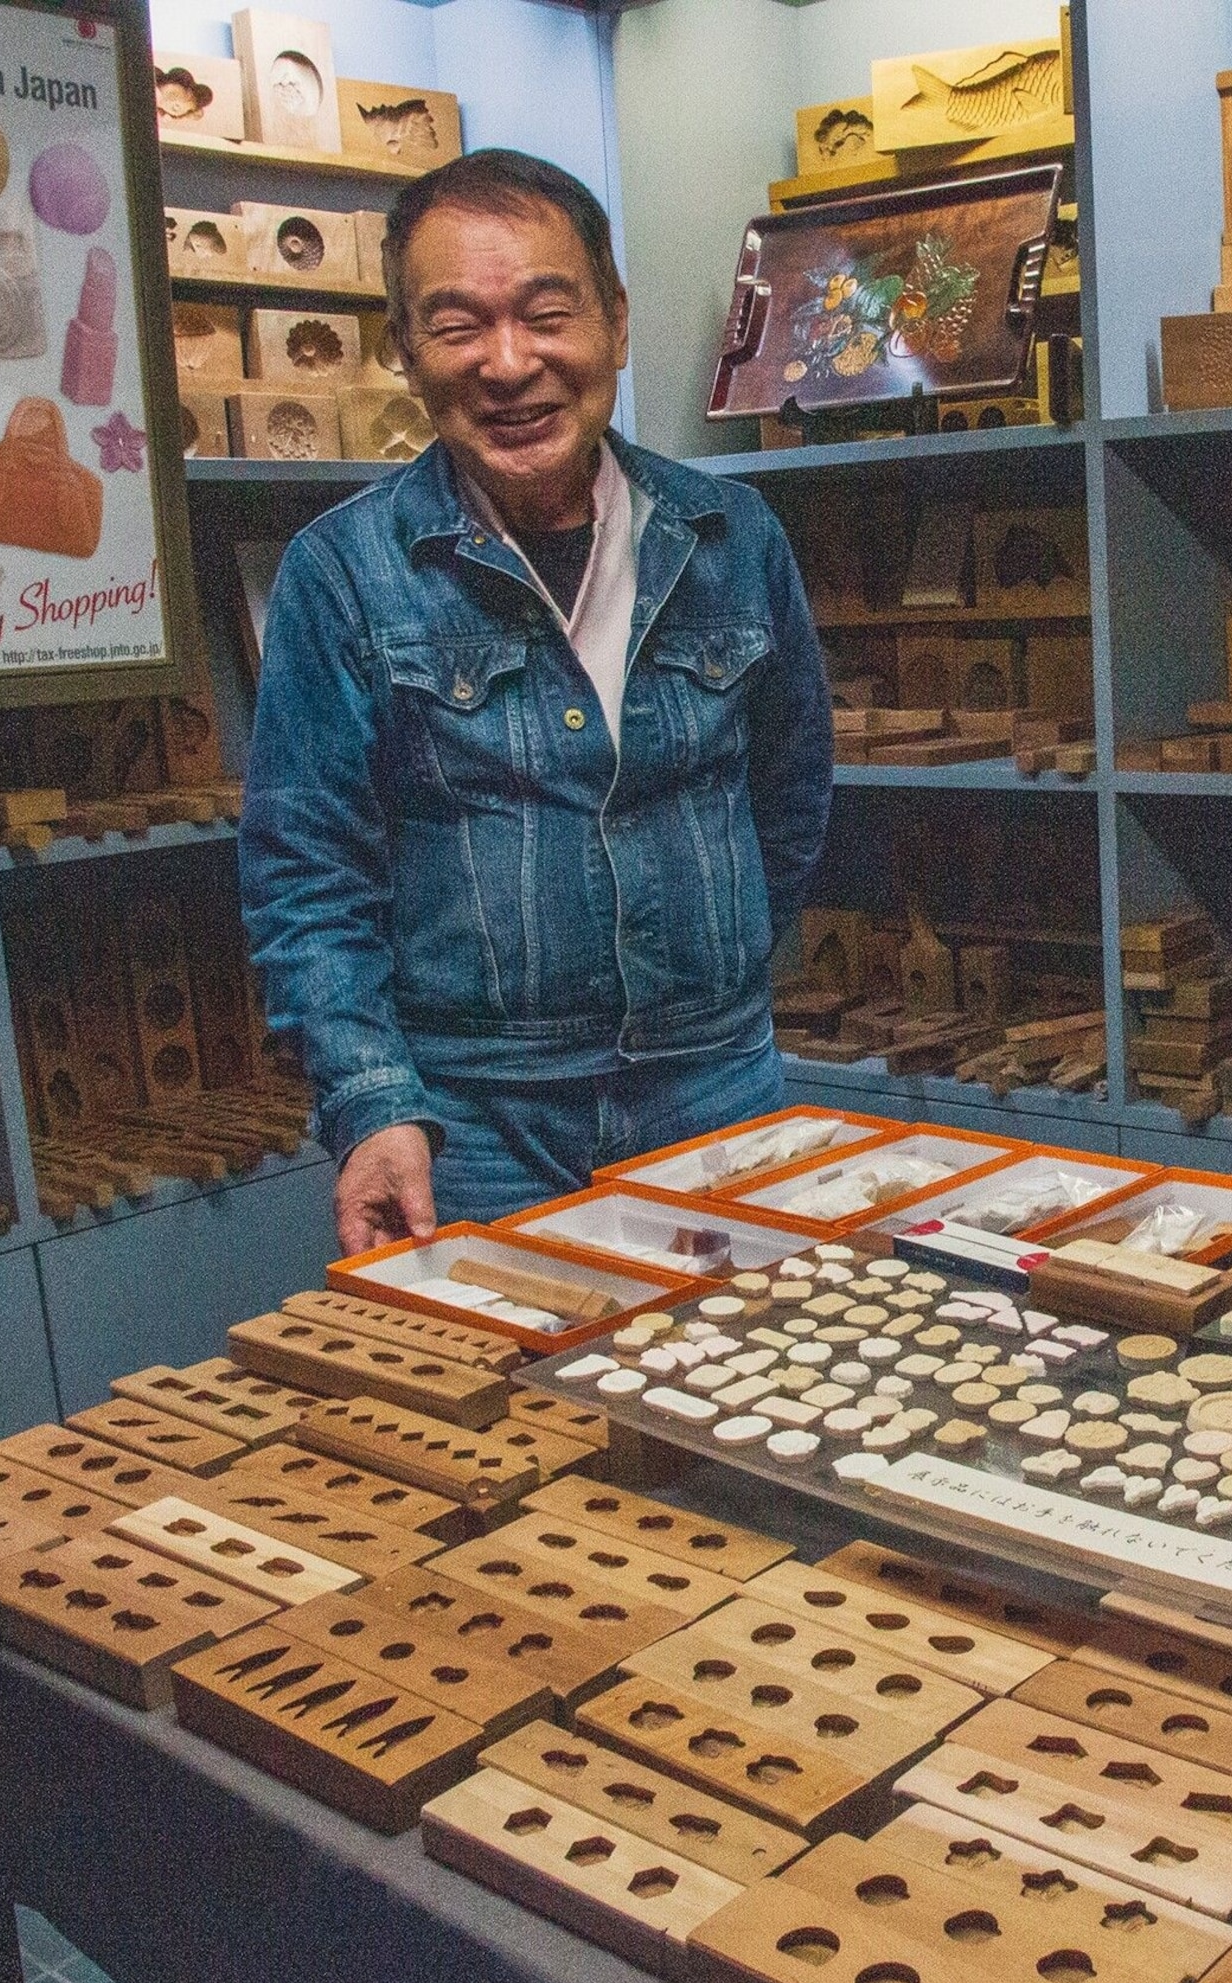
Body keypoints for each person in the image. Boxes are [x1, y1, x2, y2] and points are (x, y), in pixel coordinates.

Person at [240, 149, 832, 1255]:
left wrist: (718, 963)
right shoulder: (346, 573)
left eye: (546, 313)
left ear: (613, 319)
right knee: (516, 1419)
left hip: (717, 1093)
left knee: (743, 1408)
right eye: (458, 325)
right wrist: (372, 1101)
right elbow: (306, 872)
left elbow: (789, 797)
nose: (509, 363)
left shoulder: (732, 540)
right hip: (474, 1123)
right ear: (405, 352)